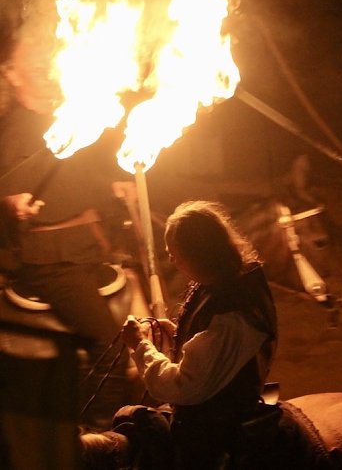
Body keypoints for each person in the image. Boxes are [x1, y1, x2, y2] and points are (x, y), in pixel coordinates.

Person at [0, 27, 136, 430]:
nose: (44, 65)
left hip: (89, 246)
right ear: (10, 73)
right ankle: (96, 438)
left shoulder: (72, 118)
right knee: (111, 348)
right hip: (51, 261)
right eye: (32, 61)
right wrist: (6, 203)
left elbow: (88, 173)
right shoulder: (7, 128)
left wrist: (115, 181)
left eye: (47, 58)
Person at [119, 200, 278, 468]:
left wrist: (141, 345)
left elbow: (182, 386)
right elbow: (204, 344)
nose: (171, 260)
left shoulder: (232, 312)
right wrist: (175, 331)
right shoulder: (220, 280)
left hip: (219, 427)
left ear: (200, 252)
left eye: (176, 252)